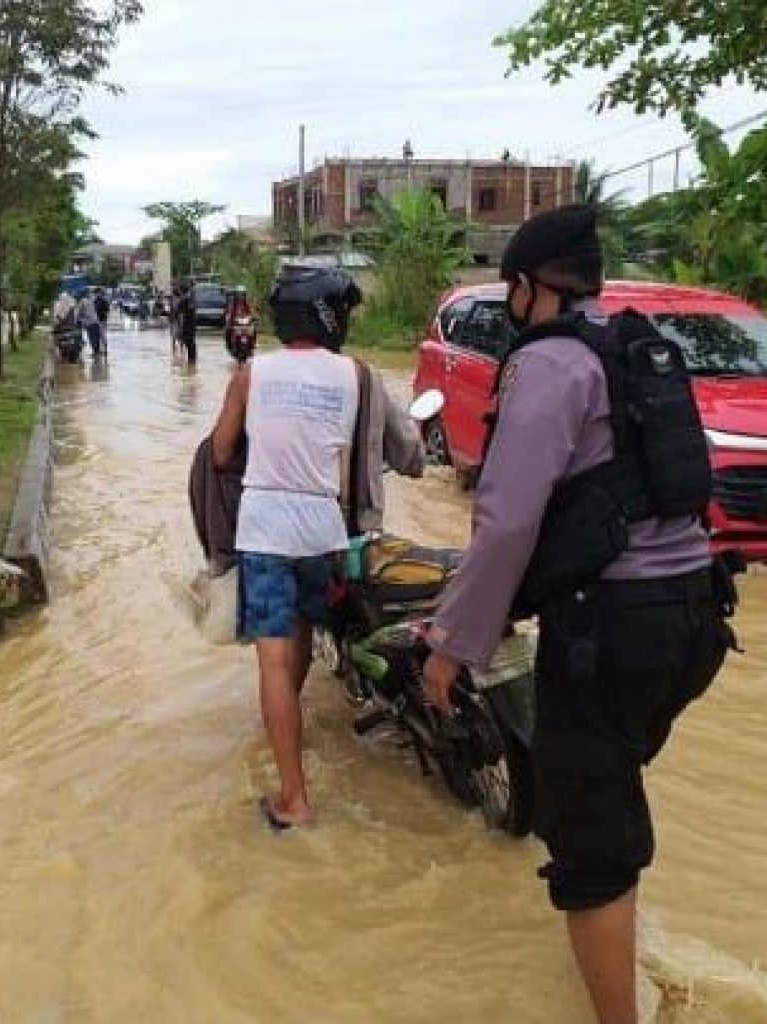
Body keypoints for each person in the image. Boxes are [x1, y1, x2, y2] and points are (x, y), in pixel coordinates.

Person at [420, 205, 735, 1024]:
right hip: (695, 620)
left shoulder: (549, 365)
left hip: (611, 630)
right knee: (608, 789)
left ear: (527, 289)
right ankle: (623, 946)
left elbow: (506, 522)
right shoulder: (639, 349)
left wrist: (451, 647)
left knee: (592, 844)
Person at [210, 267, 424, 830]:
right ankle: (291, 719)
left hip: (265, 533)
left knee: (272, 661)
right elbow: (386, 448)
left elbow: (220, 452)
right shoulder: (359, 374)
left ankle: (294, 798)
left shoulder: (251, 374)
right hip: (324, 532)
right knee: (305, 633)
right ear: (333, 317)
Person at [178, 281, 197, 365]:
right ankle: (193, 361)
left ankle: (191, 361)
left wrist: (181, 328)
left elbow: (181, 316)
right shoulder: (191, 300)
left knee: (187, 342)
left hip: (186, 324)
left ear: (181, 291)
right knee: (191, 343)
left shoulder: (183, 300)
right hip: (192, 324)